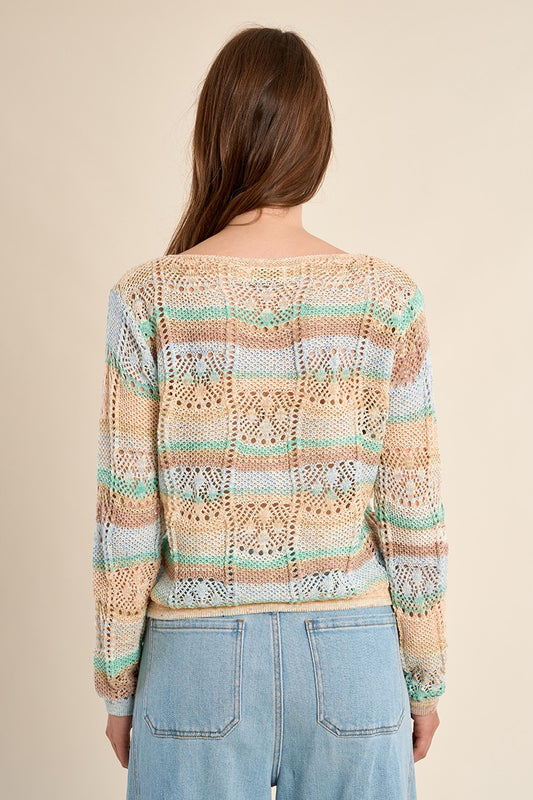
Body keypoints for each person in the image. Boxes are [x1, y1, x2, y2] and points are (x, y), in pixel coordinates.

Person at [92, 25, 448, 800]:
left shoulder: (148, 297)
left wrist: (119, 686)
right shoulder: (385, 298)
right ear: (316, 145)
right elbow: (410, 509)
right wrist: (423, 677)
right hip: (353, 661)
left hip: (193, 665)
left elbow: (127, 518)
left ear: (213, 138)